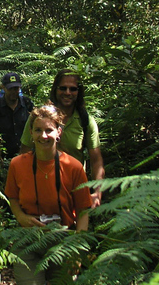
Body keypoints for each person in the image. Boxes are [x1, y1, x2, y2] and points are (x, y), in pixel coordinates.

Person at [5, 106, 91, 284]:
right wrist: (21, 217)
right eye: (38, 130)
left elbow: (83, 210)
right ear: (31, 133)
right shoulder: (17, 164)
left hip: (63, 240)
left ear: (59, 132)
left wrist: (76, 250)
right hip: (28, 239)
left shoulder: (73, 167)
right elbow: (12, 197)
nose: (43, 136)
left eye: (48, 130)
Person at [19, 69, 105, 207]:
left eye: (73, 89)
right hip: (41, 188)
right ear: (55, 89)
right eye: (63, 88)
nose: (68, 93)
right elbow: (24, 153)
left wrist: (97, 193)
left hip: (75, 191)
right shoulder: (39, 118)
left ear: (79, 91)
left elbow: (96, 160)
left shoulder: (85, 121)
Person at [0, 71, 34, 158]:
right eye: (10, 89)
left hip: (25, 155)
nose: (14, 92)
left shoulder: (27, 104)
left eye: (16, 89)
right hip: (2, 157)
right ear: (3, 88)